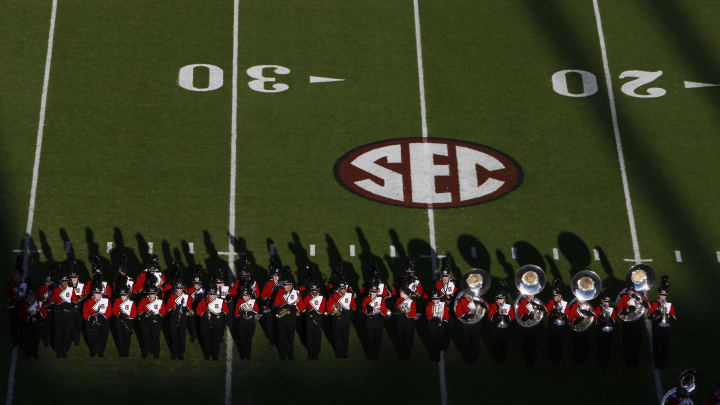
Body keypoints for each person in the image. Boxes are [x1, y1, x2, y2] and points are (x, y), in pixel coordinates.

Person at [617, 282, 649, 367]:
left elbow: (648, 306)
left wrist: (642, 301)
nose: (632, 292)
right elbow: (619, 312)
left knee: (637, 342)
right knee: (627, 342)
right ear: (628, 290)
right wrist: (628, 309)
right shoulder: (623, 297)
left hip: (638, 322)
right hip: (627, 323)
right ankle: (627, 361)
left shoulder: (639, 296)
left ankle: (635, 361)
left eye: (633, 290)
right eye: (630, 290)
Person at [454, 285, 488, 363]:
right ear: (464, 294)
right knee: (466, 341)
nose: (469, 295)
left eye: (470, 294)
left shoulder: (477, 299)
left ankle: (475, 357)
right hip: (466, 324)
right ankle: (467, 358)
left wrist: (479, 301)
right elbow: (459, 314)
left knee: (476, 341)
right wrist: (469, 316)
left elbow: (487, 307)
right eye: (467, 294)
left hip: (476, 324)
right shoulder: (461, 301)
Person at [648, 276, 677, 369]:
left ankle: (663, 363)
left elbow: (674, 317)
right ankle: (657, 363)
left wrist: (667, 315)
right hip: (657, 328)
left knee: (665, 347)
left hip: (666, 329)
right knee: (656, 346)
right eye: (661, 295)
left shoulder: (669, 305)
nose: (663, 297)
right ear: (658, 295)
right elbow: (649, 316)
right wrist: (658, 312)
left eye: (664, 296)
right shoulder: (654, 304)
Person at [48, 274, 78, 358]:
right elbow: (51, 302)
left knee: (67, 333)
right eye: (63, 282)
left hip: (68, 315)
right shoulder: (56, 290)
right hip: (58, 315)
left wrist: (70, 305)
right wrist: (59, 305)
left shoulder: (71, 290)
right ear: (60, 282)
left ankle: (65, 351)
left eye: (66, 282)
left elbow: (75, 301)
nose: (65, 283)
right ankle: (58, 351)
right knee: (58, 333)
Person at [195, 287, 229, 360]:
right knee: (206, 339)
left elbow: (226, 310)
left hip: (217, 323)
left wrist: (221, 315)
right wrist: (205, 315)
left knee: (216, 340)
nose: (212, 296)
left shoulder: (220, 301)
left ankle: (215, 355)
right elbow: (198, 311)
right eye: (211, 294)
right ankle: (207, 354)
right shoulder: (203, 301)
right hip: (205, 323)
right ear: (208, 295)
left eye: (214, 294)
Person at [273, 275, 300, 360]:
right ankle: (282, 354)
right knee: (282, 336)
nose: (284, 286)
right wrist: (278, 310)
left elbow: (300, 308)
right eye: (284, 285)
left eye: (286, 285)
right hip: (282, 318)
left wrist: (292, 311)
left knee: (290, 336)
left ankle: (290, 354)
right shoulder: (280, 292)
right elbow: (275, 304)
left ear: (291, 285)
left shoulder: (296, 293)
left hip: (291, 318)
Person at [326, 281, 356, 358]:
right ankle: (338, 353)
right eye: (342, 289)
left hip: (346, 319)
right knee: (337, 336)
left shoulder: (349, 296)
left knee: (345, 336)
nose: (344, 290)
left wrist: (350, 311)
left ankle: (345, 352)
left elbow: (353, 305)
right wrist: (337, 311)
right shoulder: (333, 296)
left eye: (344, 289)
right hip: (337, 319)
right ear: (338, 289)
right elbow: (329, 308)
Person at [165, 280, 193, 360]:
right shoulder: (172, 296)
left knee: (182, 337)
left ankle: (181, 353)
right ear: (175, 288)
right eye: (177, 288)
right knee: (174, 337)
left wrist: (186, 311)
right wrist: (174, 311)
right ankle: (174, 353)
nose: (179, 290)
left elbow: (191, 313)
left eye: (180, 288)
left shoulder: (186, 297)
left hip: (183, 320)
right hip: (173, 319)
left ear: (183, 288)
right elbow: (168, 309)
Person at [516, 293, 546, 366]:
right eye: (529, 294)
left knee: (534, 343)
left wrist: (540, 307)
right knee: (525, 343)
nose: (531, 296)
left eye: (532, 294)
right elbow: (519, 314)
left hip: (535, 326)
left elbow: (545, 310)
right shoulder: (523, 302)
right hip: (525, 327)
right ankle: (526, 360)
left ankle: (533, 359)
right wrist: (526, 316)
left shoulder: (538, 302)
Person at [361, 284, 390, 360]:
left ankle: (376, 354)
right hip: (370, 321)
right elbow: (363, 310)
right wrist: (370, 311)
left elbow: (384, 309)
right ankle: (370, 355)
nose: (373, 293)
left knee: (378, 339)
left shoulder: (381, 299)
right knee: (370, 339)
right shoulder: (366, 299)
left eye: (375, 292)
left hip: (379, 321)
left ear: (377, 292)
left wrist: (385, 313)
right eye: (372, 292)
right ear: (369, 292)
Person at [17, 287, 46, 358]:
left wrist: (39, 311)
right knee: (27, 341)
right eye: (30, 295)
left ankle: (35, 353)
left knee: (36, 340)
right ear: (27, 296)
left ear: (35, 296)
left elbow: (44, 315)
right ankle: (28, 354)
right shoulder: (23, 304)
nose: (31, 297)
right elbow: (20, 315)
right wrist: (29, 315)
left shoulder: (39, 304)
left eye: (33, 295)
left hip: (37, 326)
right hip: (27, 326)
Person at [82, 283, 110, 357]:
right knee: (91, 337)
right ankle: (93, 350)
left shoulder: (106, 301)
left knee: (103, 336)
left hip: (103, 321)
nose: (97, 295)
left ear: (101, 293)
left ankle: (101, 351)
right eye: (95, 293)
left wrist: (103, 317)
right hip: (92, 322)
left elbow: (109, 311)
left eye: (99, 293)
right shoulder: (88, 302)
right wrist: (91, 318)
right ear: (93, 294)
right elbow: (85, 312)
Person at [138, 285, 166, 359]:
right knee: (146, 338)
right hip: (146, 322)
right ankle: (145, 352)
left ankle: (156, 353)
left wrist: (157, 317)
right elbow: (139, 311)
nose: (152, 295)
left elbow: (163, 312)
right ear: (148, 294)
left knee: (155, 338)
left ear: (156, 293)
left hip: (156, 321)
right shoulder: (144, 300)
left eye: (153, 293)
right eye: (150, 293)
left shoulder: (160, 301)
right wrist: (145, 314)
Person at [487, 285, 513, 363]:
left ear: (504, 299)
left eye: (501, 299)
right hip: (496, 328)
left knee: (504, 343)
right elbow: (490, 317)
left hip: (505, 328)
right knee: (496, 343)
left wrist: (506, 317)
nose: (500, 301)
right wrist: (496, 315)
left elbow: (512, 317)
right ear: (496, 300)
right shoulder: (493, 306)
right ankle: (498, 358)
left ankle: (503, 356)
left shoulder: (508, 306)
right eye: (498, 299)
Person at [298, 283, 325, 360]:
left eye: (315, 290)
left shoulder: (322, 298)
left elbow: (321, 310)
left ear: (318, 290)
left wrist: (313, 315)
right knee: (309, 336)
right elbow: (302, 308)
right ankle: (310, 353)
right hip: (309, 320)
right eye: (312, 290)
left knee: (317, 336)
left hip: (318, 319)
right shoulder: (308, 297)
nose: (314, 292)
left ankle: (316, 353)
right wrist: (307, 314)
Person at [566, 298, 595, 365]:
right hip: (577, 328)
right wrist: (576, 308)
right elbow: (570, 318)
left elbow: (593, 317)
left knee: (585, 344)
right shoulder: (574, 306)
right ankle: (577, 359)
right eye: (580, 299)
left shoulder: (588, 306)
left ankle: (584, 359)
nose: (582, 300)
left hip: (586, 328)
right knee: (577, 344)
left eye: (583, 299)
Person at [6, 256, 28, 347]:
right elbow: (7, 296)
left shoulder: (25, 284)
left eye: (18, 276)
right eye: (15, 275)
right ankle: (14, 341)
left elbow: (27, 296)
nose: (16, 277)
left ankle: (22, 342)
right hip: (13, 308)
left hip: (21, 308)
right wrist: (10, 301)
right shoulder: (11, 284)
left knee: (22, 325)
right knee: (14, 326)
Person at [545, 282, 567, 366]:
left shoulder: (564, 304)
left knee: (560, 343)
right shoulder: (551, 302)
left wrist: (563, 314)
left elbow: (568, 315)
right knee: (551, 343)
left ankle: (558, 359)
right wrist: (554, 306)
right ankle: (551, 359)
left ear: (561, 296)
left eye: (558, 296)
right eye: (555, 297)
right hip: (552, 326)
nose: (556, 298)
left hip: (561, 326)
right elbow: (546, 312)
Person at [111, 286, 136, 357]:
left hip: (128, 321)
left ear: (128, 295)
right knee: (120, 336)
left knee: (127, 337)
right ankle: (121, 352)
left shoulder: (131, 302)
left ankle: (126, 352)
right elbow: (114, 311)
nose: (123, 297)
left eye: (124, 295)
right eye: (121, 295)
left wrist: (128, 316)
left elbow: (134, 313)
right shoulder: (117, 301)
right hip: (119, 321)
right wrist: (119, 313)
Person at [234, 287, 259, 360]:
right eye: (243, 295)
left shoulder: (254, 302)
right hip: (242, 323)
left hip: (251, 323)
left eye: (246, 295)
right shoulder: (239, 301)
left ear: (250, 296)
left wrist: (250, 312)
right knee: (242, 338)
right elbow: (236, 313)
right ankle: (242, 354)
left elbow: (257, 312)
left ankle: (248, 354)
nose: (244, 297)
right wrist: (239, 315)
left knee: (249, 339)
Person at [394, 285, 418, 360]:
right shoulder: (399, 300)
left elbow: (413, 314)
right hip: (400, 322)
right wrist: (399, 308)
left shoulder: (412, 302)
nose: (400, 293)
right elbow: (395, 307)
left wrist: (407, 310)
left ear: (405, 293)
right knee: (401, 338)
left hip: (409, 323)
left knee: (408, 338)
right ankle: (401, 355)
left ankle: (407, 354)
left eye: (401, 292)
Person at [260, 264, 281, 345]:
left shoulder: (282, 283)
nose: (276, 277)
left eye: (277, 275)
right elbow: (263, 296)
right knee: (270, 323)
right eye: (274, 276)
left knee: (278, 322)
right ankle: (271, 338)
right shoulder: (268, 284)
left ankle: (278, 337)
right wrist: (265, 306)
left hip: (278, 305)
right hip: (270, 304)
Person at [426, 289, 449, 362]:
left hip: (441, 325)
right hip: (433, 325)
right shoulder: (429, 305)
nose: (435, 300)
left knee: (439, 341)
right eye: (433, 299)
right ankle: (432, 356)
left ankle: (438, 356)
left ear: (439, 298)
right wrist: (433, 319)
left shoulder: (443, 304)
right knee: (433, 340)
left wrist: (444, 321)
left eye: (436, 299)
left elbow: (446, 314)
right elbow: (428, 315)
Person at [593, 294, 616, 367]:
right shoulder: (597, 309)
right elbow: (595, 321)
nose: (606, 303)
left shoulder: (611, 309)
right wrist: (601, 316)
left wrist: (609, 318)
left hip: (609, 331)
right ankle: (600, 361)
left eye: (607, 302)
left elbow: (614, 320)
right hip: (600, 331)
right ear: (602, 301)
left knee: (608, 346)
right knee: (600, 346)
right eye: (605, 301)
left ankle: (607, 361)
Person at [186, 266, 205, 343]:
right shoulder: (190, 290)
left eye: (198, 284)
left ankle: (201, 334)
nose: (196, 286)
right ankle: (193, 334)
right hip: (192, 309)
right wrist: (190, 310)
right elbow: (188, 302)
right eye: (195, 284)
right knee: (189, 317)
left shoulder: (205, 291)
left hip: (202, 310)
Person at [36, 272, 54, 347]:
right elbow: (37, 298)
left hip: (49, 310)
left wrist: (49, 304)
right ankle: (43, 339)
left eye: (49, 283)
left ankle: (47, 341)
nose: (48, 284)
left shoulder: (52, 289)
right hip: (42, 309)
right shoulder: (40, 288)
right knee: (42, 326)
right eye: (47, 282)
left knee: (49, 326)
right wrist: (43, 304)